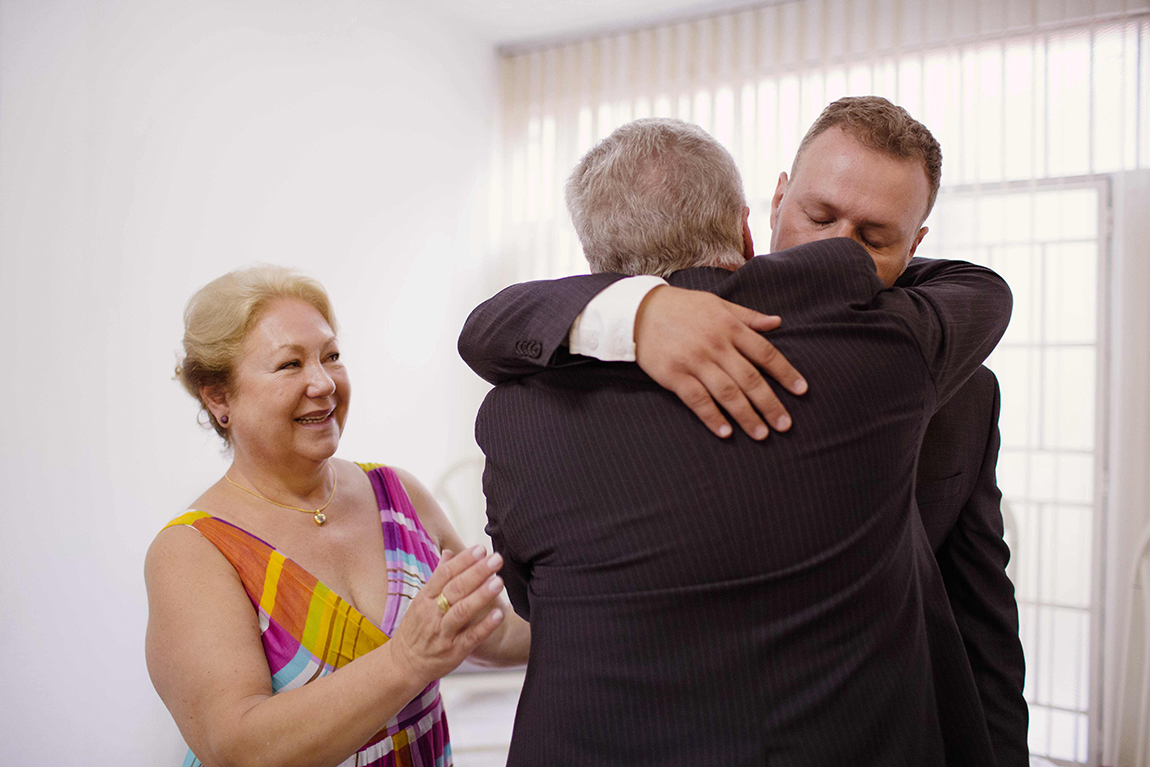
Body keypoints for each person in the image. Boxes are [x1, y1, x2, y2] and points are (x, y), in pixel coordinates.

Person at [459, 96, 1028, 766]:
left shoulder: (939, 369)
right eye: (818, 215)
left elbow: (981, 614)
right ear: (768, 209)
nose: (836, 249)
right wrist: (636, 310)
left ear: (916, 244)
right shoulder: (890, 356)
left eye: (873, 239)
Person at [145, 266, 529, 767]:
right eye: (289, 365)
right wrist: (406, 661)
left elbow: (492, 631)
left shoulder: (397, 493)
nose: (324, 383)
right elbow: (236, 747)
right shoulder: (191, 551)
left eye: (331, 357)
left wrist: (616, 606)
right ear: (218, 396)